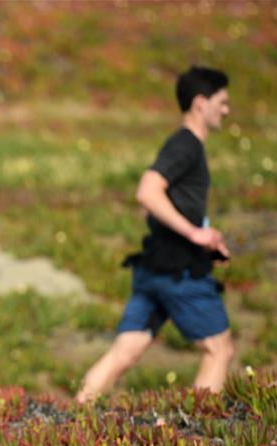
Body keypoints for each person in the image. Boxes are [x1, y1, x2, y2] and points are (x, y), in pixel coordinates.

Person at [76, 66, 235, 402]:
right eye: (221, 102)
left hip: (154, 267)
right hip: (179, 272)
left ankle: (76, 416)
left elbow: (160, 207)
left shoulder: (180, 144)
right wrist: (194, 235)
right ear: (200, 103)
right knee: (219, 349)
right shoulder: (187, 145)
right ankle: (200, 436)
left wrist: (206, 236)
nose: (226, 110)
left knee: (127, 349)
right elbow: (148, 192)